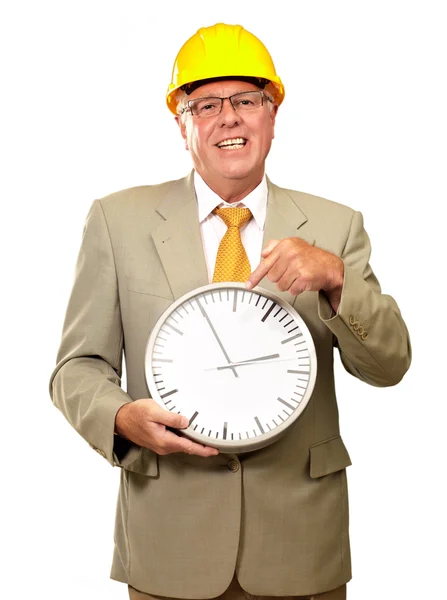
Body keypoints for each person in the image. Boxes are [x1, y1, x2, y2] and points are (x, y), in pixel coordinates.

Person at [50, 22, 411, 600]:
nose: (230, 117)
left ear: (272, 114)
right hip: (168, 541)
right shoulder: (117, 222)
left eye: (247, 100)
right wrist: (120, 418)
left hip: (301, 545)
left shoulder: (334, 227)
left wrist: (339, 282)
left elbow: (389, 365)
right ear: (181, 123)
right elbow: (77, 367)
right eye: (206, 104)